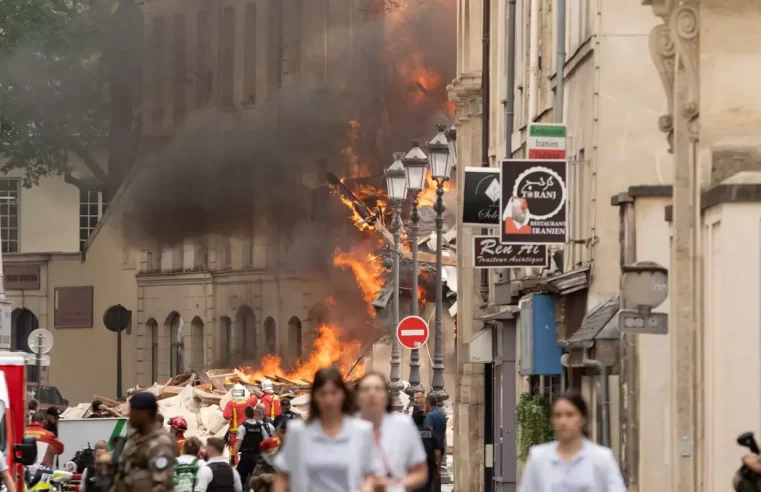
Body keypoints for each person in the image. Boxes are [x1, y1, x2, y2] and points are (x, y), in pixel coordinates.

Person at [273, 367, 377, 492]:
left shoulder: (362, 430)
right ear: (314, 397)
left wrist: (367, 486)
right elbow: (282, 474)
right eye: (322, 394)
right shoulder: (298, 431)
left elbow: (371, 473)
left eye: (334, 393)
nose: (329, 400)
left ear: (343, 395)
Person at [517, 392, 626, 492]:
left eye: (570, 415)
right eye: (557, 415)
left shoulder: (601, 458)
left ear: (583, 418)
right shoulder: (538, 458)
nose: (563, 421)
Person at [357, 372, 428, 491]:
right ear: (357, 396)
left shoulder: (403, 425)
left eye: (378, 389)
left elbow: (420, 473)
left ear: (386, 396)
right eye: (366, 389)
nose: (372, 393)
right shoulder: (347, 427)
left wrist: (392, 484)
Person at [113, 391, 177, 492]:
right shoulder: (136, 441)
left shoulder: (160, 443)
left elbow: (163, 485)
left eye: (133, 411)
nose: (130, 416)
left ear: (144, 413)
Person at [234, 406, 275, 490]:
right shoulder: (260, 426)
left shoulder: (243, 427)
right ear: (253, 414)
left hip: (246, 456)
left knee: (241, 477)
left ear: (245, 414)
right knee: (256, 477)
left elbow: (238, 442)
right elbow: (266, 441)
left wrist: (232, 455)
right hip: (257, 455)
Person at [223, 384, 259, 463]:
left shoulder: (231, 404)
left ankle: (235, 467)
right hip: (247, 431)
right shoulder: (247, 402)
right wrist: (252, 393)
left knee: (234, 451)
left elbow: (226, 416)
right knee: (246, 449)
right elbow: (254, 400)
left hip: (235, 432)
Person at [411, 409, 437, 492]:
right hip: (428, 466)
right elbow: (437, 451)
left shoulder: (409, 432)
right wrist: (438, 467)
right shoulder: (429, 432)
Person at [423, 394, 447, 481]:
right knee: (438, 474)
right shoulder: (442, 415)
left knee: (430, 476)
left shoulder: (430, 416)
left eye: (425, 404)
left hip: (432, 450)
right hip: (441, 447)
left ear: (428, 404)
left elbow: (428, 433)